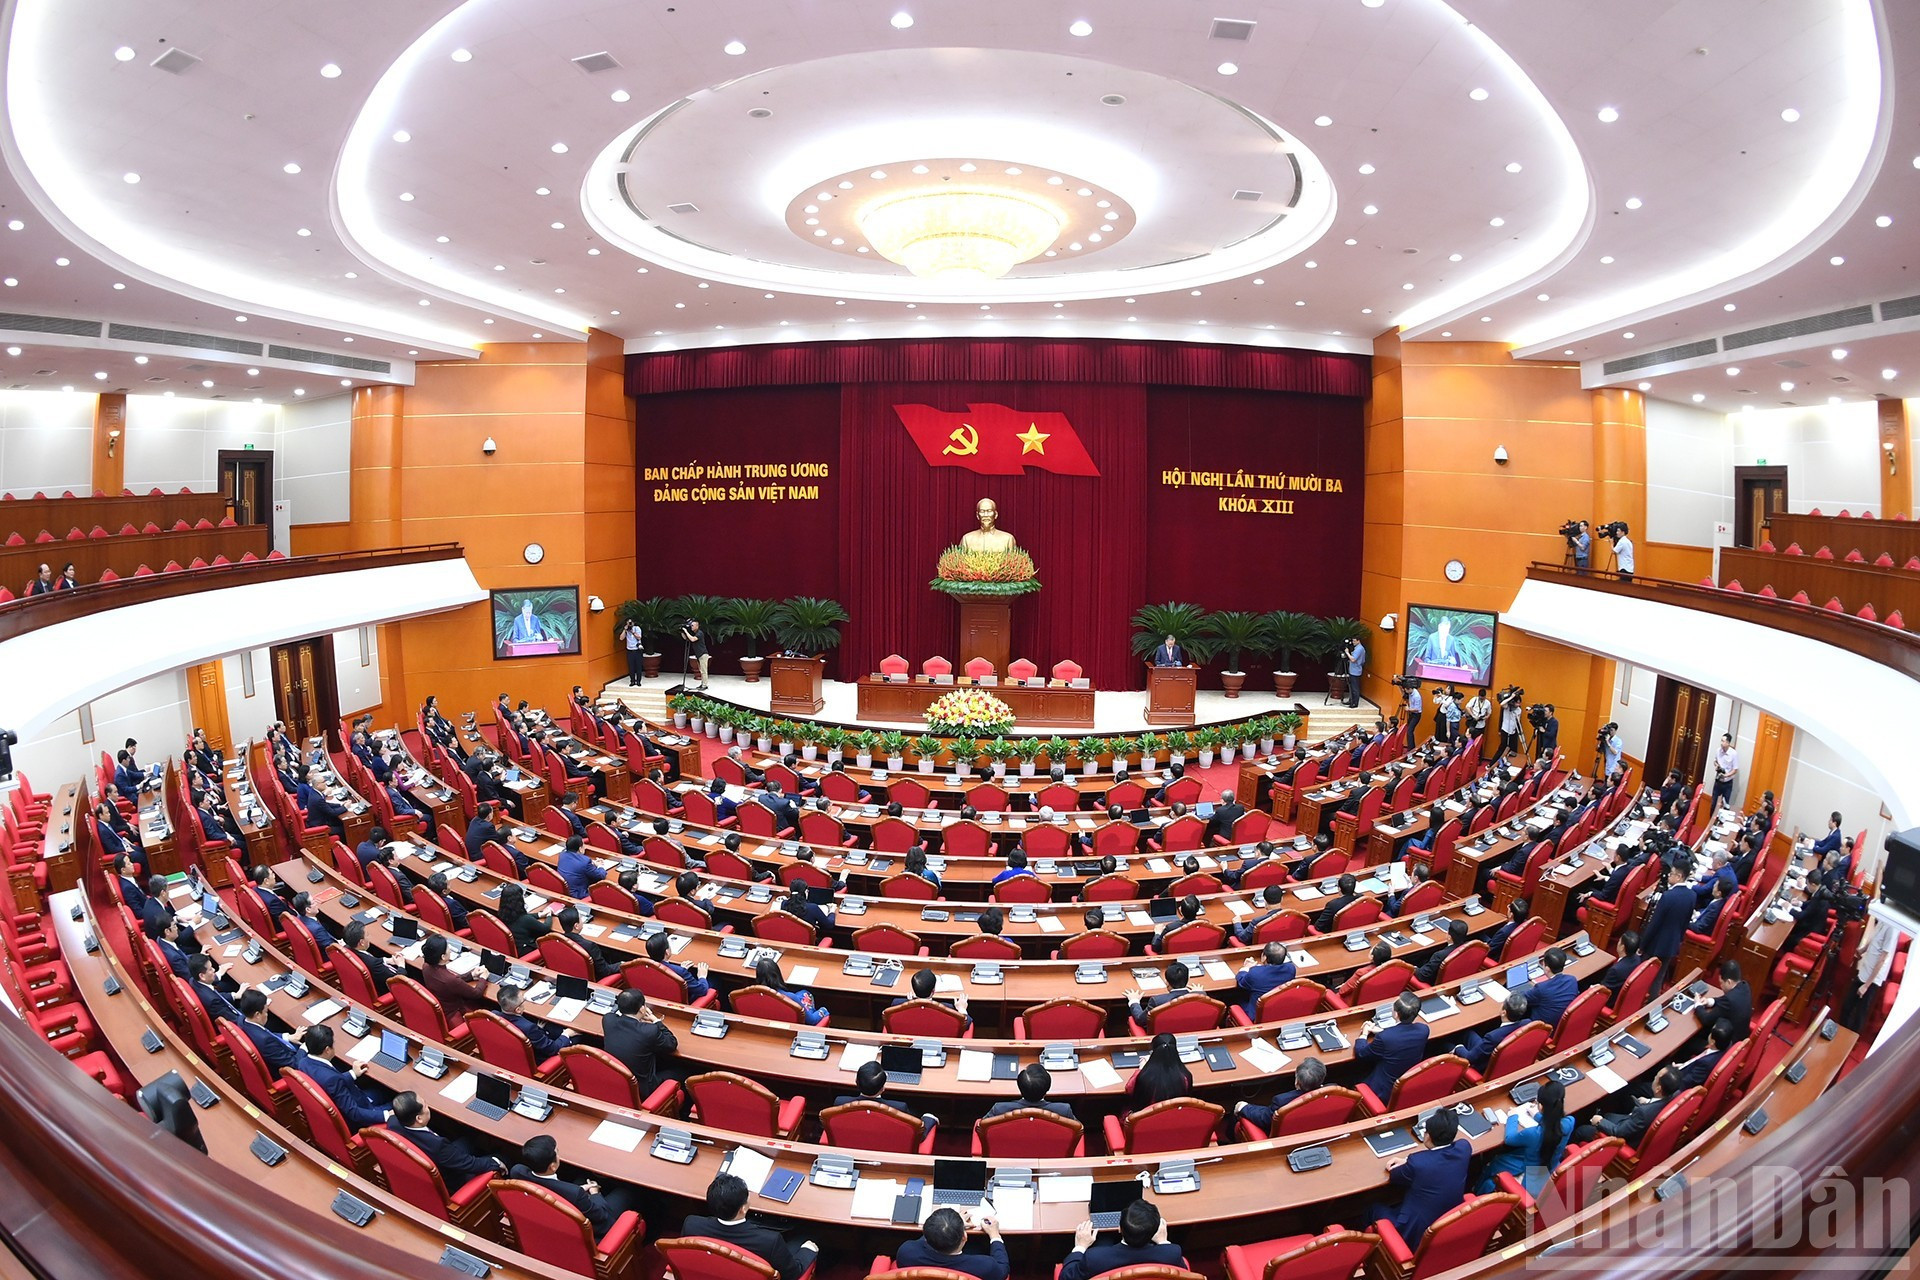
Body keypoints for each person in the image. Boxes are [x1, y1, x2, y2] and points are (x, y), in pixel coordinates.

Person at [1373, 1107, 1471, 1247]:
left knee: (1373, 1209)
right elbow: (1435, 1158)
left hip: (1414, 1230)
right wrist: (1408, 1160)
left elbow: (1395, 1176)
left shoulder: (1417, 1163)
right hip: (1448, 1219)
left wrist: (1406, 1162)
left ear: (1428, 1136)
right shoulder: (1464, 1148)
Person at [510, 1134, 635, 1242]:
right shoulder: (575, 1193)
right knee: (627, 1191)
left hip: (547, 1214)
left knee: (581, 1177)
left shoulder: (518, 1171)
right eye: (557, 1153)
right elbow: (601, 1216)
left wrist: (579, 1188)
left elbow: (557, 1190)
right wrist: (595, 1192)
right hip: (594, 1229)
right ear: (553, 1166)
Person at [388, 1092, 505, 1187]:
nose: (428, 1107)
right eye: (425, 1105)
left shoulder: (393, 1122)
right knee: (503, 1157)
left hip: (430, 1156)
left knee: (468, 1139)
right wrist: (496, 1162)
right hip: (451, 1178)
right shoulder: (437, 1146)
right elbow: (471, 1164)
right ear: (418, 1118)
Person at [1478, 1078, 1572, 1195]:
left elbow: (1509, 1139)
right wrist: (1537, 1115)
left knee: (1495, 1164)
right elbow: (1553, 1125)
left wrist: (1512, 1116)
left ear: (1541, 1106)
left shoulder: (1533, 1134)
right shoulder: (1569, 1122)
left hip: (1530, 1180)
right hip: (1551, 1167)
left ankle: (1477, 1192)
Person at [293, 1025, 391, 1128]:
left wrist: (352, 1073)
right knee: (400, 1102)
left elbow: (328, 1083)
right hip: (362, 1113)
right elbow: (354, 1113)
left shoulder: (303, 1062)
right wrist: (386, 1115)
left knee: (381, 1090)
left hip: (355, 1097)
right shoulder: (332, 1079)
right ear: (327, 1050)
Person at [1059, 1200, 1184, 1280]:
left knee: (1104, 1240)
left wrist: (1080, 1246)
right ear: (1156, 1231)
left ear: (1119, 1228)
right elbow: (1183, 1272)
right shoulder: (1172, 1253)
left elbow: (1065, 1277)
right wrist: (1163, 1242)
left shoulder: (1094, 1258)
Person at [835, 1059, 937, 1141]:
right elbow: (917, 1135)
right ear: (883, 1088)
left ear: (856, 1082)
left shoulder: (840, 1102)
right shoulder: (899, 1108)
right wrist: (929, 1119)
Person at [896, 1206, 1009, 1280]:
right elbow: (1003, 1270)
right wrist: (995, 1235)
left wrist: (949, 1225)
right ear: (964, 1237)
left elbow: (929, 1235)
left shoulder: (906, 1253)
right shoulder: (985, 1266)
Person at [1355, 992, 1431, 1101]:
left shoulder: (1385, 1038)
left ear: (1396, 1014)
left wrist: (1364, 1033)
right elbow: (1401, 1035)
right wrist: (1381, 1031)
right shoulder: (1424, 1030)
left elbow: (1361, 1054)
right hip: (1407, 1081)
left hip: (1383, 1089)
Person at [602, 988, 678, 1092]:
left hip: (617, 1080)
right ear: (642, 1009)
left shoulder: (608, 1020)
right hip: (642, 1089)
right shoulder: (649, 1030)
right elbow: (671, 1044)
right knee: (683, 1071)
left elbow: (613, 1013)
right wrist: (655, 1020)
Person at [1233, 1056, 1328, 1135]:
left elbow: (1265, 1119)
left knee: (1235, 1114)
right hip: (1314, 1128)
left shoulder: (1281, 1101)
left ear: (1297, 1082)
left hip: (1283, 1136)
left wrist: (1244, 1107)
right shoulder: (1332, 1092)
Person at [1589, 1067, 1679, 1145]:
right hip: (1637, 1123)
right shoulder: (1675, 1094)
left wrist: (1599, 1121)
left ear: (1658, 1089)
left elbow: (1618, 1132)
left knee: (1582, 1130)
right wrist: (1648, 1101)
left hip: (1626, 1138)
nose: (1654, 1077)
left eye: (1656, 1077)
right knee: (1619, 1103)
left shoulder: (1643, 1113)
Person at [416, 934, 492, 1021]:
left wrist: (471, 975)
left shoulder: (426, 967)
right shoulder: (450, 980)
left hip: (443, 1007)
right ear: (443, 957)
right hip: (455, 1013)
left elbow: (452, 981)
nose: (450, 950)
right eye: (448, 948)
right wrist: (483, 978)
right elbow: (476, 994)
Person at [1460, 993, 1536, 1074]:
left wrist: (1458, 1048)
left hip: (1485, 1067)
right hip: (1510, 1060)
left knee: (1447, 1044)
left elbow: (1470, 1058)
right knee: (1468, 1033)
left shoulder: (1493, 1037)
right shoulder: (1528, 1023)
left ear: (1503, 1012)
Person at [986, 1063, 1077, 1121]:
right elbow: (1078, 1128)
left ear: (1019, 1087)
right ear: (1048, 1088)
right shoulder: (1064, 1110)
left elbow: (982, 1125)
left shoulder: (999, 1109)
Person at [236, 989, 297, 1072]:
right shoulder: (265, 1041)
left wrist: (288, 1037)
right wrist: (304, 1048)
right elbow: (293, 1063)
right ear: (257, 1015)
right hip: (283, 1067)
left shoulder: (242, 1020)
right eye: (266, 1011)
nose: (267, 1014)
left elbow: (266, 1034)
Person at [754, 955, 826, 1025]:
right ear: (777, 974)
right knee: (807, 995)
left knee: (803, 992)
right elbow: (811, 1020)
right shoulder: (790, 998)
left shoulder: (752, 995)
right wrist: (824, 1010)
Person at [644, 929, 712, 1002]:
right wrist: (702, 976)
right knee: (715, 980)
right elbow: (702, 990)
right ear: (667, 952)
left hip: (659, 996)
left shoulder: (644, 966)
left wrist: (680, 969)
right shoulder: (681, 972)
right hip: (681, 1003)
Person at [1129, 1032, 1192, 1107]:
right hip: (1175, 1115)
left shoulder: (1144, 1077)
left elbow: (1129, 1089)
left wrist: (1141, 1069)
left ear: (1154, 1052)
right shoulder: (1185, 1076)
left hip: (1146, 1116)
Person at [554, 906, 618, 980]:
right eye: (580, 918)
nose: (582, 921)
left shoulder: (558, 940)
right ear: (576, 926)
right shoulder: (590, 946)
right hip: (592, 981)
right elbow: (604, 971)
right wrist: (622, 964)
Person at [1695, 958, 1753, 1039]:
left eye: (1721, 983)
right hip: (1740, 1034)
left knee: (1691, 1043)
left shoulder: (1729, 999)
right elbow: (1725, 1001)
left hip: (1728, 1042)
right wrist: (1710, 1001)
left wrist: (1697, 1005)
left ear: (1729, 982)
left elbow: (1706, 1020)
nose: (1720, 986)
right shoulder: (1744, 986)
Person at [1235, 941, 1297, 1016]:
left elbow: (1241, 982)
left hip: (1257, 1016)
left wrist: (1246, 968)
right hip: (1279, 1010)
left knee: (1235, 997)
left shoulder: (1255, 973)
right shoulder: (1291, 969)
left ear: (1264, 957)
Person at [1125, 961, 1194, 1028]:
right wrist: (1199, 992)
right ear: (1188, 979)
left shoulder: (1157, 1001)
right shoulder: (1199, 996)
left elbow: (1140, 1020)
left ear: (1166, 982)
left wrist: (1134, 1001)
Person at [1525, 948, 1578, 1026]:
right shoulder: (1572, 980)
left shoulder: (1541, 988)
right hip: (1559, 1024)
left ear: (1547, 968)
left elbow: (1522, 998)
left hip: (1541, 1028)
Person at [186, 953, 244, 1024]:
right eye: (210, 969)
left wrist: (235, 995)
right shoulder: (213, 1002)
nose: (214, 970)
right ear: (202, 976)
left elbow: (217, 996)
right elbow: (235, 1021)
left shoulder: (193, 981)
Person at [341, 920, 396, 995]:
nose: (369, 937)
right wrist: (401, 966)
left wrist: (385, 960)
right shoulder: (373, 964)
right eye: (367, 935)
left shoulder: (347, 948)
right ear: (362, 942)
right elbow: (396, 980)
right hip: (383, 990)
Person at [1415, 919, 1474, 986]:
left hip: (1437, 984)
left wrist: (1413, 968)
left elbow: (1423, 976)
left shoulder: (1440, 955)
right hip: (1459, 978)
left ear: (1449, 937)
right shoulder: (1470, 948)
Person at [556, 834, 605, 900]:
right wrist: (600, 866)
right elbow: (600, 876)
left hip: (565, 891)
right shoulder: (585, 862)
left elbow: (576, 862)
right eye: (583, 845)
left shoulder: (562, 855)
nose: (585, 847)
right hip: (579, 895)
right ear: (580, 848)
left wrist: (593, 863)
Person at [681, 617, 710, 690]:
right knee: (701, 670)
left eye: (692, 625)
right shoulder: (695, 633)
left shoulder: (699, 633)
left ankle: (705, 685)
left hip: (703, 654)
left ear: (697, 626)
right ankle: (702, 684)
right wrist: (682, 632)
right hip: (699, 655)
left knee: (704, 671)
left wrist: (686, 632)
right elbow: (686, 638)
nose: (691, 627)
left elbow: (692, 639)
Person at [1711, 733, 1739, 808]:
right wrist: (1716, 765)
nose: (1721, 743)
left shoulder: (1733, 754)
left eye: (1723, 741)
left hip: (1727, 783)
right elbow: (1715, 761)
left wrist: (1726, 775)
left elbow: (1735, 770)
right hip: (1718, 781)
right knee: (1713, 803)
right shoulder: (1718, 751)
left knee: (1725, 804)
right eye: (1721, 740)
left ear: (1728, 743)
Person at [1345, 635, 1367, 708]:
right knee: (1352, 686)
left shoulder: (1359, 649)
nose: (1353, 642)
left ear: (1358, 641)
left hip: (1355, 671)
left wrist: (1347, 653)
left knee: (1355, 687)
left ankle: (1355, 703)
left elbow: (1353, 659)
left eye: (1354, 641)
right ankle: (1351, 700)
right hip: (1353, 670)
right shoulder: (1357, 648)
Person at [1401, 681, 1424, 747]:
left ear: (1409, 689)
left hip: (1416, 715)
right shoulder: (1411, 692)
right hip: (1412, 714)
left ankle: (1411, 748)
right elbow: (1403, 695)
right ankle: (1410, 746)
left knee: (1409, 731)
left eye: (1405, 690)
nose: (1405, 692)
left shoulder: (1416, 696)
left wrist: (1408, 709)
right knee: (1408, 730)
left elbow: (1417, 709)